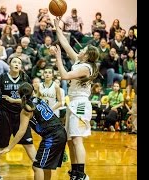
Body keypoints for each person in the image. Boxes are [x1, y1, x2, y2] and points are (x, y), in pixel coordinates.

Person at [52, 18, 100, 180]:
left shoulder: (86, 68)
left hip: (80, 104)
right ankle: (75, 171)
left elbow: (64, 76)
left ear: (87, 55)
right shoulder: (80, 61)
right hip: (73, 103)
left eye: (83, 49)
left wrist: (58, 58)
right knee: (70, 140)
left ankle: (82, 174)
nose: (80, 49)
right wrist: (57, 28)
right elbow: (66, 44)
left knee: (77, 140)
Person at [0, 82, 67, 180]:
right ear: (33, 92)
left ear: (19, 94)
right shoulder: (37, 99)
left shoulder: (26, 110)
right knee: (46, 167)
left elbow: (21, 131)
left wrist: (9, 147)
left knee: (37, 166)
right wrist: (13, 100)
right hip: (61, 132)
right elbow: (25, 100)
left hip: (52, 137)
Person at [0, 57, 37, 180]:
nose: (17, 64)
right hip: (4, 115)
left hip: (21, 115)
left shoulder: (25, 78)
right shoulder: (2, 78)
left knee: (28, 143)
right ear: (9, 65)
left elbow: (33, 97)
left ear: (21, 66)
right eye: (14, 62)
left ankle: (38, 166)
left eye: (19, 63)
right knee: (0, 144)